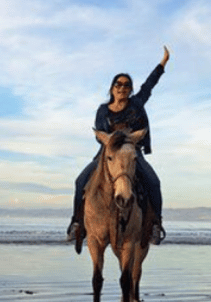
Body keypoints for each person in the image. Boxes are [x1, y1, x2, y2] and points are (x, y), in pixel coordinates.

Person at [66, 46, 170, 254]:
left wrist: (163, 63)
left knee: (153, 182)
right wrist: (112, 140)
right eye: (118, 84)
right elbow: (100, 137)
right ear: (112, 88)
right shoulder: (103, 111)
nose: (122, 88)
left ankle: (155, 224)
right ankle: (77, 223)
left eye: (126, 85)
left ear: (131, 89)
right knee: (80, 181)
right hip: (108, 154)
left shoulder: (136, 103)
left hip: (132, 152)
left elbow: (150, 85)